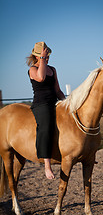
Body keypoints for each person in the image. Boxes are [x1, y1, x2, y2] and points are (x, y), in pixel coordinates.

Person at [26, 42, 65, 179]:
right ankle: (47, 166)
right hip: (41, 104)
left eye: (47, 55)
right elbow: (41, 78)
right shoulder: (32, 69)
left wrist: (66, 102)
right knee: (46, 127)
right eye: (44, 55)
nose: (47, 57)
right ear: (37, 56)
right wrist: (42, 60)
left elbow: (58, 90)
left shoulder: (52, 69)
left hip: (54, 101)